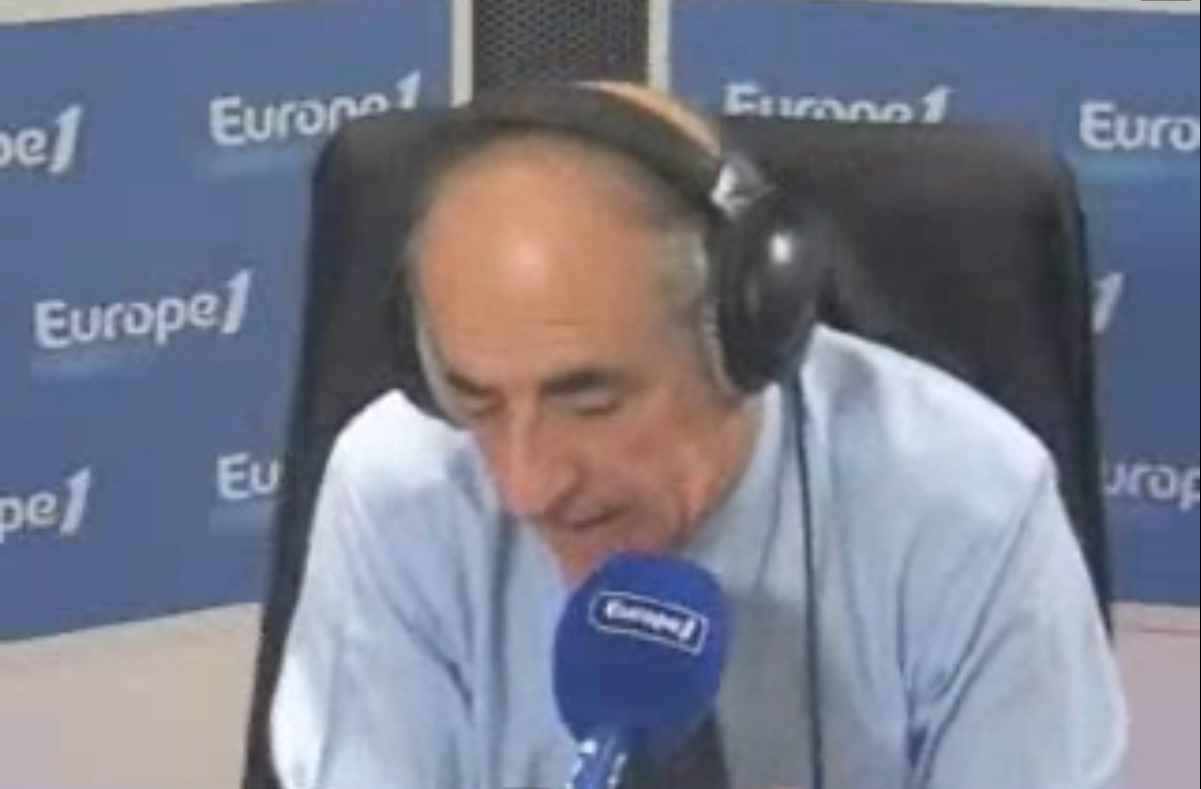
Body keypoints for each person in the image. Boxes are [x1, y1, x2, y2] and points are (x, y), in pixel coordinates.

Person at [268, 81, 1127, 789]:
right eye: (476, 400)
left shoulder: (969, 507)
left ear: (748, 338)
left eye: (590, 400)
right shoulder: (399, 491)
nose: (527, 484)